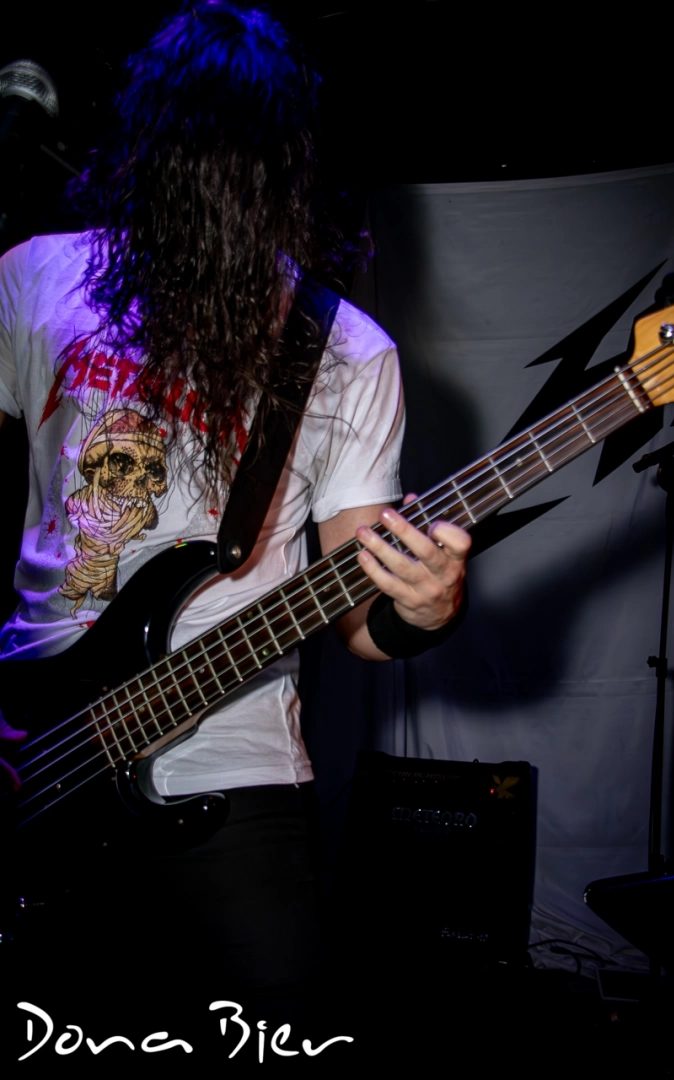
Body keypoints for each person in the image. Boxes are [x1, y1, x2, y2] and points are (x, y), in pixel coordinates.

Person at [0, 2, 470, 1062]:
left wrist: (423, 609)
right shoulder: (36, 276)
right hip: (30, 743)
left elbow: (359, 620)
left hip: (235, 766)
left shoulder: (344, 350)